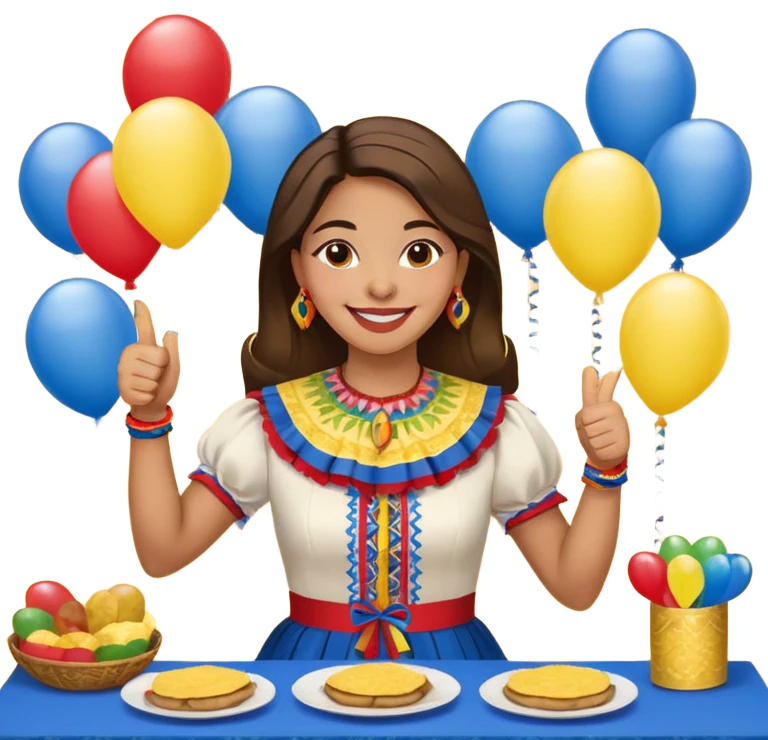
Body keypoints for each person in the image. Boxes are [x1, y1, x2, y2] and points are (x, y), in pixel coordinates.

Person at [118, 116, 631, 662]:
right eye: (339, 253)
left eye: (419, 253)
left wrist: (606, 472)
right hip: (307, 673)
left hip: (456, 672)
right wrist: (149, 419)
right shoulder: (268, 422)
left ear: (460, 268)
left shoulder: (496, 425)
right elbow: (163, 553)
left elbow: (575, 588)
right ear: (299, 270)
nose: (381, 286)